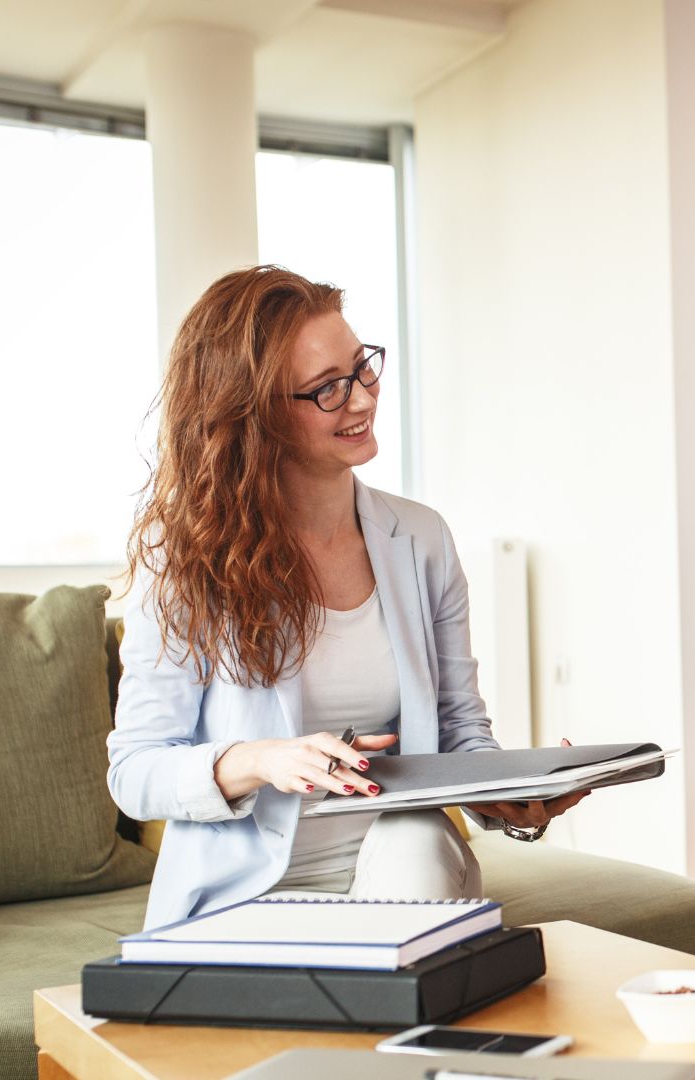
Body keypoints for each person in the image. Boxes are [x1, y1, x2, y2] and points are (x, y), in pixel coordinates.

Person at [108, 265, 584, 929]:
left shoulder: (420, 539)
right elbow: (134, 771)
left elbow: (458, 727)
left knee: (416, 842)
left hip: (401, 869)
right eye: (326, 389)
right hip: (243, 896)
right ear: (256, 414)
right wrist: (259, 760)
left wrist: (509, 794)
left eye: (361, 368)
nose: (360, 398)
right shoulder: (185, 560)